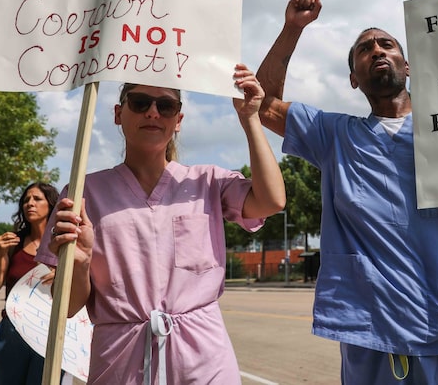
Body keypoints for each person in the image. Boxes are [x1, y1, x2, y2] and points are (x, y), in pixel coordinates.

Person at [257, 0, 438, 384]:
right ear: (353, 77)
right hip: (370, 340)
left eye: (386, 44)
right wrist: (293, 27)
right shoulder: (334, 136)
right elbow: (262, 103)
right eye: (364, 49)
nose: (376, 49)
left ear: (408, 66)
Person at [38, 65, 287, 385]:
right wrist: (82, 262)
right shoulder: (82, 194)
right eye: (140, 102)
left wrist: (250, 119)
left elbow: (272, 201)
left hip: (203, 360)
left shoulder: (208, 182)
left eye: (166, 106)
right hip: (120, 360)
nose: (153, 112)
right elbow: (68, 307)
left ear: (179, 120)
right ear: (118, 113)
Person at [0, 181, 59, 385]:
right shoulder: (12, 244)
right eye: (26, 200)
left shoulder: (65, 246)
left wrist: (63, 276)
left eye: (37, 199)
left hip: (49, 332)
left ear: (51, 204)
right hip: (12, 333)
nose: (30, 204)